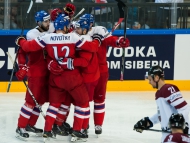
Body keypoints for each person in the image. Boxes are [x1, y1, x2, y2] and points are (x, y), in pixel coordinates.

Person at [15, 14, 103, 142]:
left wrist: (20, 40)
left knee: (52, 104)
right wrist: (97, 39)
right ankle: (77, 131)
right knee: (82, 103)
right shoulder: (73, 36)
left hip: (54, 77)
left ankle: (47, 130)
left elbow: (28, 47)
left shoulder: (48, 37)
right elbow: (92, 47)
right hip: (70, 76)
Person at [80, 13, 130, 136]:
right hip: (85, 72)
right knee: (83, 100)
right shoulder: (78, 32)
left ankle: (98, 124)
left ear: (91, 23)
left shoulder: (99, 30)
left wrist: (119, 41)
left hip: (101, 72)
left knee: (100, 99)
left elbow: (111, 40)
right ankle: (83, 124)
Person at [15, 10, 50, 140]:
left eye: (49, 20)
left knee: (40, 101)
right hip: (36, 73)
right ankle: (20, 126)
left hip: (48, 72)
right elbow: (22, 51)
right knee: (30, 102)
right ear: (38, 22)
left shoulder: (50, 29)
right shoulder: (32, 34)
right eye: (45, 21)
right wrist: (22, 66)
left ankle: (30, 124)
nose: (48, 23)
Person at [133, 65, 190, 143]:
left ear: (156, 78)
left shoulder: (168, 89)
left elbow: (184, 108)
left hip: (177, 136)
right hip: (168, 135)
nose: (149, 82)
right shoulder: (159, 94)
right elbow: (162, 114)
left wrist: (183, 126)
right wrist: (149, 121)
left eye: (150, 79)